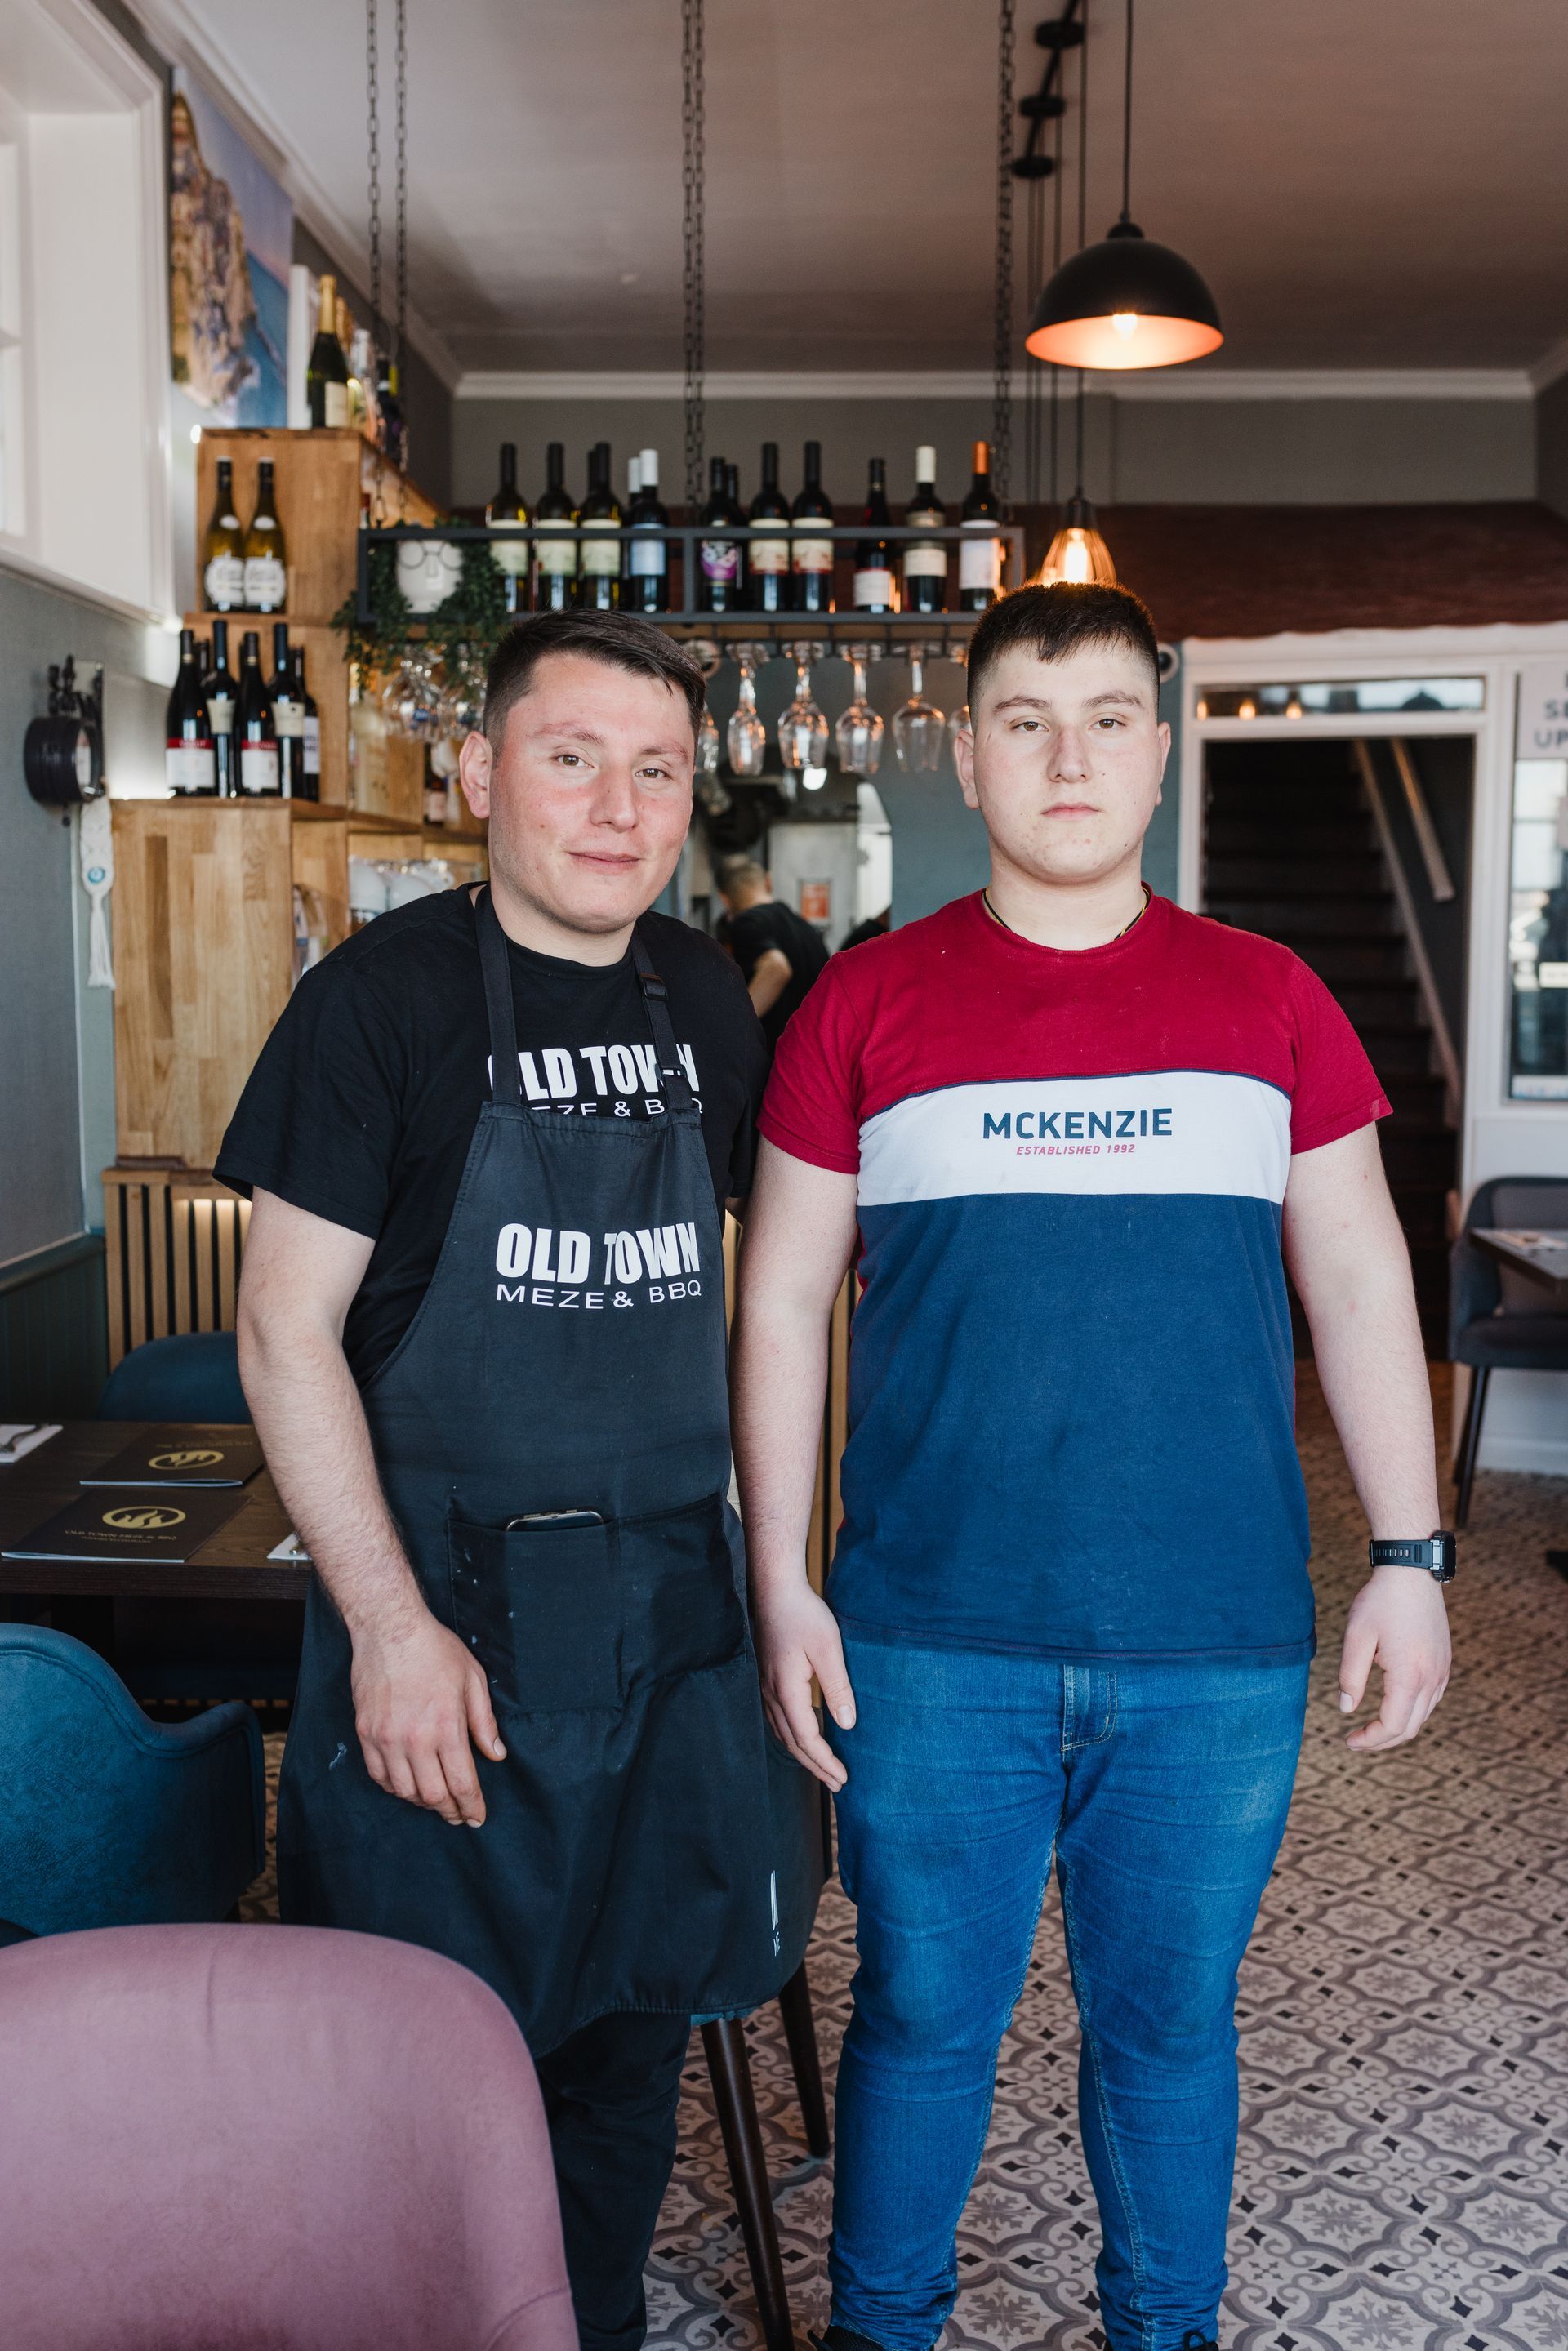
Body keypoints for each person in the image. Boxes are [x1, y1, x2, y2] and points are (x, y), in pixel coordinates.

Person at [731, 583, 1453, 2351]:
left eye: (1111, 715)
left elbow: (1362, 1279)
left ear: (1158, 747)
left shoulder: (1273, 1000)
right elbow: (782, 1301)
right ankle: (879, 2329)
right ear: (967, 752)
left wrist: (1413, 1553)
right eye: (1030, 719)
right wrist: (779, 1576)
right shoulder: (861, 1006)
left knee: (1169, 2027)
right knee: (920, 2018)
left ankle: (1165, 2327)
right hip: (926, 1634)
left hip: (1212, 1640)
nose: (1070, 754)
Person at [219, 609, 820, 2351]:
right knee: (420, 2065)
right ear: (482, 771)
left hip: (665, 1637)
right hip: (450, 1643)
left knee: (625, 2049)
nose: (619, 806)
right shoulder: (378, 1003)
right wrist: (391, 1631)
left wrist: (779, 1575)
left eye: (657, 770)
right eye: (572, 756)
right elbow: (279, 1332)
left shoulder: (704, 996)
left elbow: (772, 1290)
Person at [714, 853, 831, 1050]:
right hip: (812, 1055)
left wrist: (733, 1026)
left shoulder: (747, 924)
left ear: (724, 898)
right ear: (768, 882)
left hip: (777, 1058)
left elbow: (776, 968)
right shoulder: (804, 926)